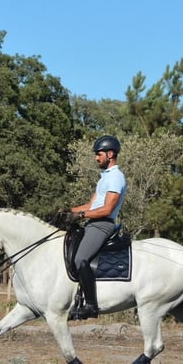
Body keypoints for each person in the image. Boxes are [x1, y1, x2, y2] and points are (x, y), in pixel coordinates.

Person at [66, 134, 127, 320]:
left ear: (110, 154)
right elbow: (91, 206)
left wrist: (81, 215)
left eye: (98, 154)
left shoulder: (116, 177)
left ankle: (91, 306)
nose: (96, 157)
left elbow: (107, 209)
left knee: (81, 258)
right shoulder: (104, 178)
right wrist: (69, 211)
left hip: (102, 225)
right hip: (93, 222)